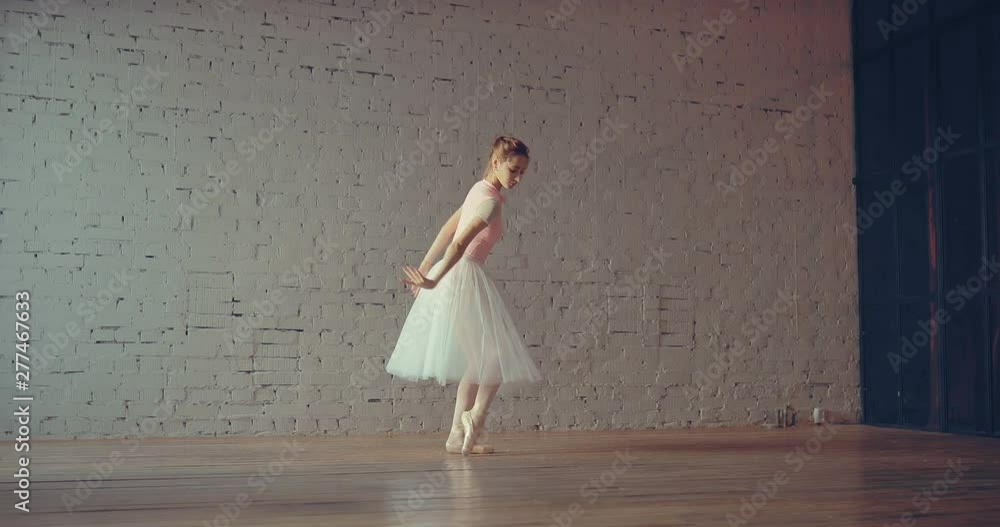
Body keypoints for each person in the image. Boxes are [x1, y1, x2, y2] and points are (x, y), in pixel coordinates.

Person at [386, 135, 543, 456]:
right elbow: (457, 241)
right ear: (496, 163)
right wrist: (431, 278)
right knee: (493, 358)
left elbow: (447, 230)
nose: (518, 178)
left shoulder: (479, 190)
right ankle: (474, 416)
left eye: (522, 172)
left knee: (479, 359)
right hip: (461, 277)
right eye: (513, 170)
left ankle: (456, 436)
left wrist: (427, 269)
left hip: (454, 276)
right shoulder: (490, 202)